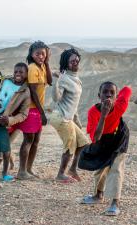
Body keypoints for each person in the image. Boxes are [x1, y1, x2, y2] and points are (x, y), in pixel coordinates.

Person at [79, 82, 132, 216]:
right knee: (100, 168)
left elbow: (127, 89)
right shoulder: (93, 112)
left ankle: (115, 203)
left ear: (116, 96)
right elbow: (96, 138)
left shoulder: (120, 105)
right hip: (102, 139)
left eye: (112, 93)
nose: (108, 95)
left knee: (116, 168)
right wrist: (103, 115)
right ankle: (98, 195)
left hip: (119, 138)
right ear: (99, 96)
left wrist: (119, 95)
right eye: (105, 92)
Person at [49, 48, 89, 183]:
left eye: (77, 60)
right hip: (61, 117)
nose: (75, 62)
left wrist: (77, 119)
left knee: (82, 143)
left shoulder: (75, 78)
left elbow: (73, 102)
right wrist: (56, 81)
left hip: (68, 118)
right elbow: (56, 98)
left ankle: (72, 169)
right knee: (70, 145)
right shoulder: (64, 78)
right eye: (72, 61)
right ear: (66, 63)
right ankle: (60, 174)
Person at [16, 41, 52, 179]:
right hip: (31, 108)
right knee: (28, 140)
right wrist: (42, 113)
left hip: (38, 108)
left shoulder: (42, 66)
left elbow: (50, 81)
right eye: (38, 53)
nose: (41, 56)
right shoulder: (32, 68)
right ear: (31, 54)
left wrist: (47, 63)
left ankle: (28, 169)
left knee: (36, 141)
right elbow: (33, 91)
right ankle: (21, 171)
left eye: (43, 53)